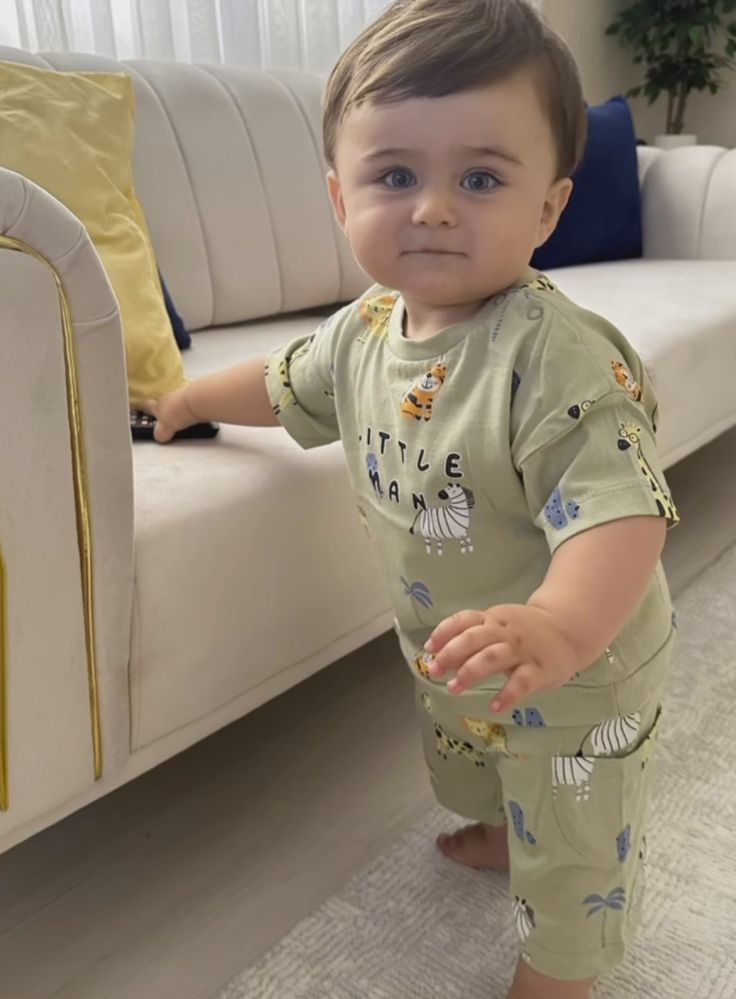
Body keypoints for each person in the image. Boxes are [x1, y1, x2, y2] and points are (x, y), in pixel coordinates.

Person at [147, 1, 679, 995]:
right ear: (339, 198)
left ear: (548, 210)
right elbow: (281, 383)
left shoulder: (556, 358)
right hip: (452, 654)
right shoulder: (364, 332)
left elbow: (623, 509)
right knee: (471, 768)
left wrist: (558, 630)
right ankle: (493, 823)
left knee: (573, 839)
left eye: (479, 178)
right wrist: (183, 398)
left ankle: (560, 970)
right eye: (395, 175)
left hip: (575, 672)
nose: (434, 207)